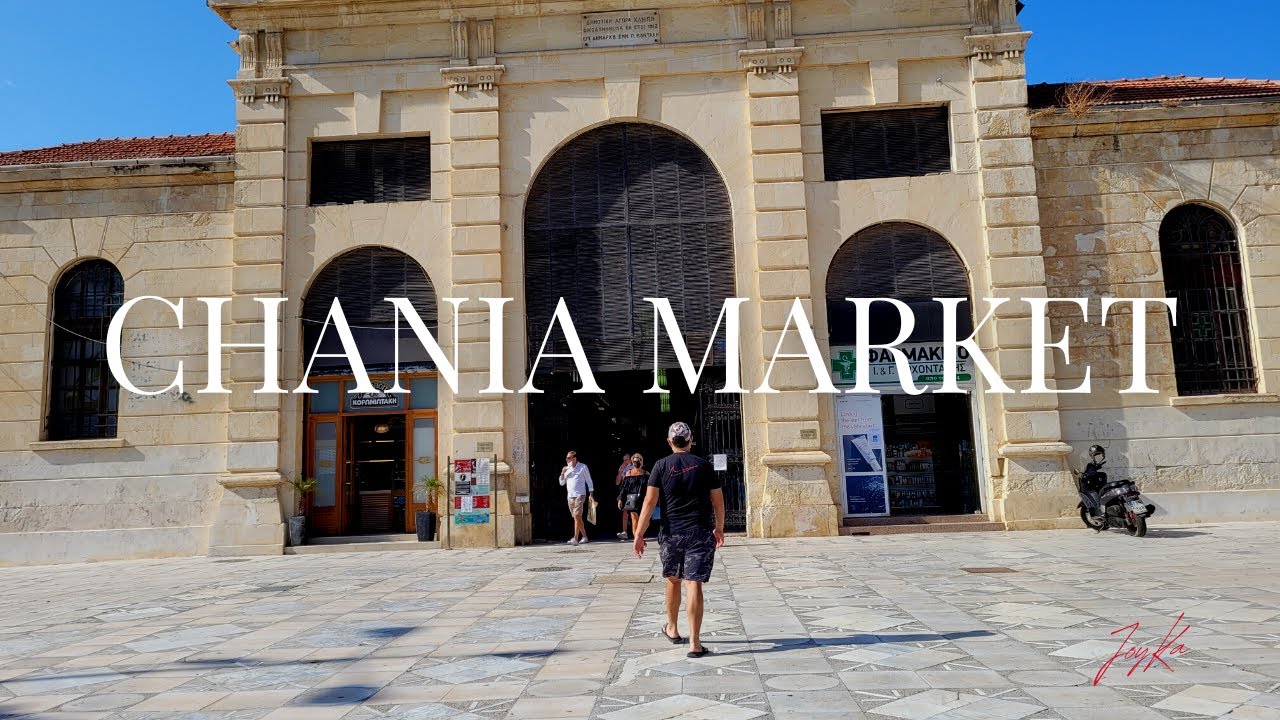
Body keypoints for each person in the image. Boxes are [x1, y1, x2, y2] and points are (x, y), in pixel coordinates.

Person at [633, 422, 724, 658]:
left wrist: (639, 533)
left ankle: (672, 628)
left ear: (669, 441)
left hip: (671, 533)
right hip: (700, 532)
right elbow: (718, 501)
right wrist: (720, 528)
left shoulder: (661, 466)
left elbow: (649, 502)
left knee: (673, 580)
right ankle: (695, 642)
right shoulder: (704, 465)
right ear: (691, 440)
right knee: (693, 583)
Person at [559, 451, 594, 545]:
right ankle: (585, 536)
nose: (567, 459)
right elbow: (561, 483)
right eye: (566, 458)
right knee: (576, 517)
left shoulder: (583, 467)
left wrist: (591, 494)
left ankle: (575, 538)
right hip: (570, 495)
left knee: (577, 516)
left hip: (580, 494)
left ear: (574, 459)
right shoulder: (566, 469)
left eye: (569, 458)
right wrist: (562, 473)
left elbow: (589, 480)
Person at [617, 453, 647, 542]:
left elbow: (649, 488)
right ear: (632, 462)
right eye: (634, 461)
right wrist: (620, 499)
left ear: (641, 462)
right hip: (631, 499)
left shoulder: (646, 474)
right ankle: (636, 538)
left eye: (638, 461)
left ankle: (640, 535)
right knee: (634, 518)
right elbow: (624, 487)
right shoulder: (628, 473)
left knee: (642, 519)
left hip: (642, 499)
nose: (636, 463)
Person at [615, 452, 635, 540]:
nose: (625, 462)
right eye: (624, 460)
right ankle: (625, 532)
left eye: (626, 460)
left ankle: (636, 532)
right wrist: (620, 472)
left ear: (631, 459)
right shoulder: (622, 468)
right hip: (624, 492)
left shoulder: (634, 466)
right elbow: (617, 482)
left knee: (633, 513)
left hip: (632, 492)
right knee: (625, 512)